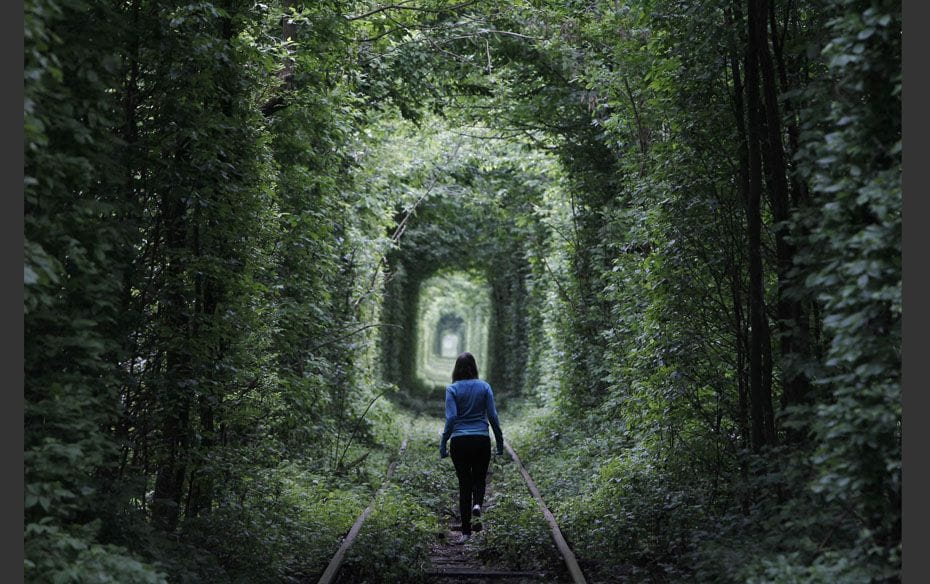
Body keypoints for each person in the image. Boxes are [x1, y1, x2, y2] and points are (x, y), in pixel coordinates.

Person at [439, 352, 504, 544]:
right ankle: (477, 505)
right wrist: (499, 441)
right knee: (480, 480)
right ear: (474, 367)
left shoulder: (452, 389)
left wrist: (444, 442)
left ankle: (466, 532)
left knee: (464, 485)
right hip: (481, 439)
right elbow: (492, 416)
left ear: (456, 369)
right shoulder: (484, 387)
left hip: (460, 442)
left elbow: (451, 418)